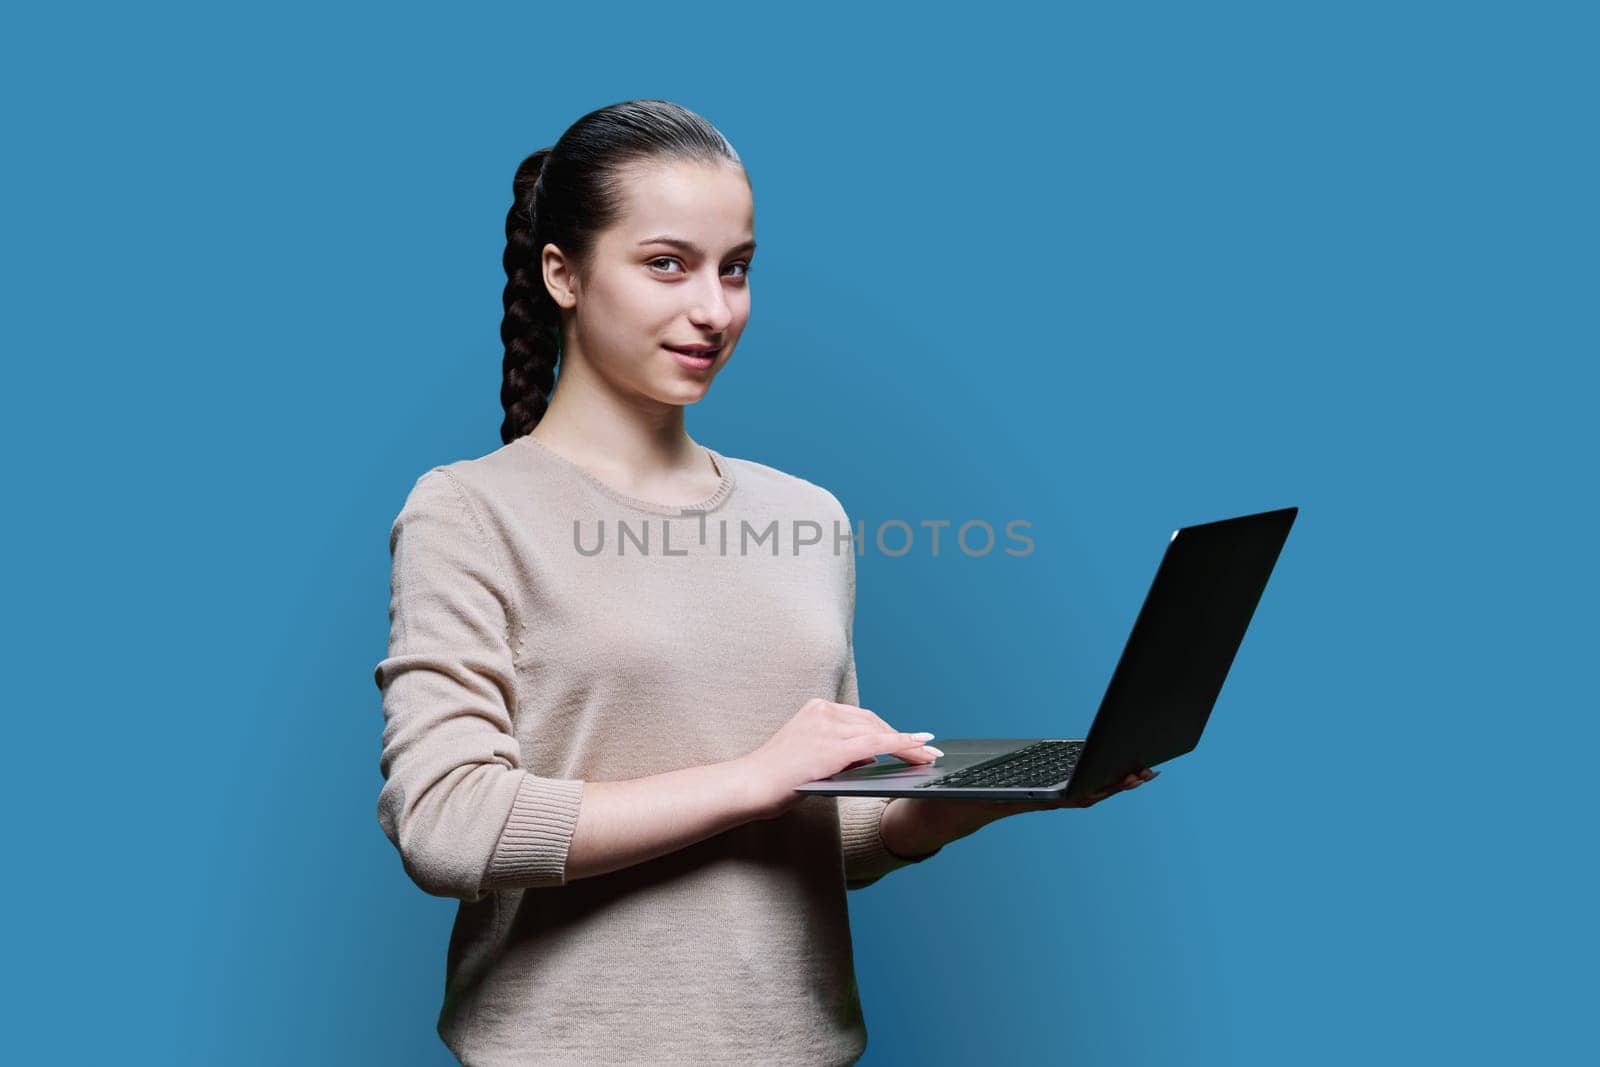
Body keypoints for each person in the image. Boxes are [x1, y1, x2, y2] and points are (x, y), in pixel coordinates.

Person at [373, 98, 1155, 1066]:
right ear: (561, 274)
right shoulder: (469, 510)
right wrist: (749, 778)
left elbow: (823, 829)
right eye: (667, 263)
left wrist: (960, 802)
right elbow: (445, 825)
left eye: (734, 268)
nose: (713, 308)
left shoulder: (809, 515)